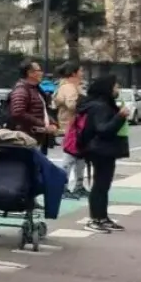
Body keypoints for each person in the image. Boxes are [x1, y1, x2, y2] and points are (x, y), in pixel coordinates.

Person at [76, 74, 129, 233]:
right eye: (115, 86)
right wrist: (120, 116)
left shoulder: (103, 104)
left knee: (103, 185)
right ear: (107, 88)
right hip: (100, 149)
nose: (117, 89)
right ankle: (95, 219)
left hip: (104, 149)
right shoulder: (100, 106)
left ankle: (102, 217)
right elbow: (103, 130)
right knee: (100, 185)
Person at [54, 62, 88, 199]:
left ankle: (78, 186)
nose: (82, 73)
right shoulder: (69, 87)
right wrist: (86, 104)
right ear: (73, 73)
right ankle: (62, 187)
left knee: (80, 158)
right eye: (81, 70)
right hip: (71, 128)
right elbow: (72, 105)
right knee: (69, 158)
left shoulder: (74, 86)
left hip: (77, 128)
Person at [8, 60, 55, 153]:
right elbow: (18, 112)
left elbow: (43, 111)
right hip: (27, 138)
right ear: (30, 73)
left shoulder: (35, 89)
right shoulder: (22, 90)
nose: (41, 73)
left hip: (36, 137)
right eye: (39, 70)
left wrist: (52, 123)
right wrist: (42, 124)